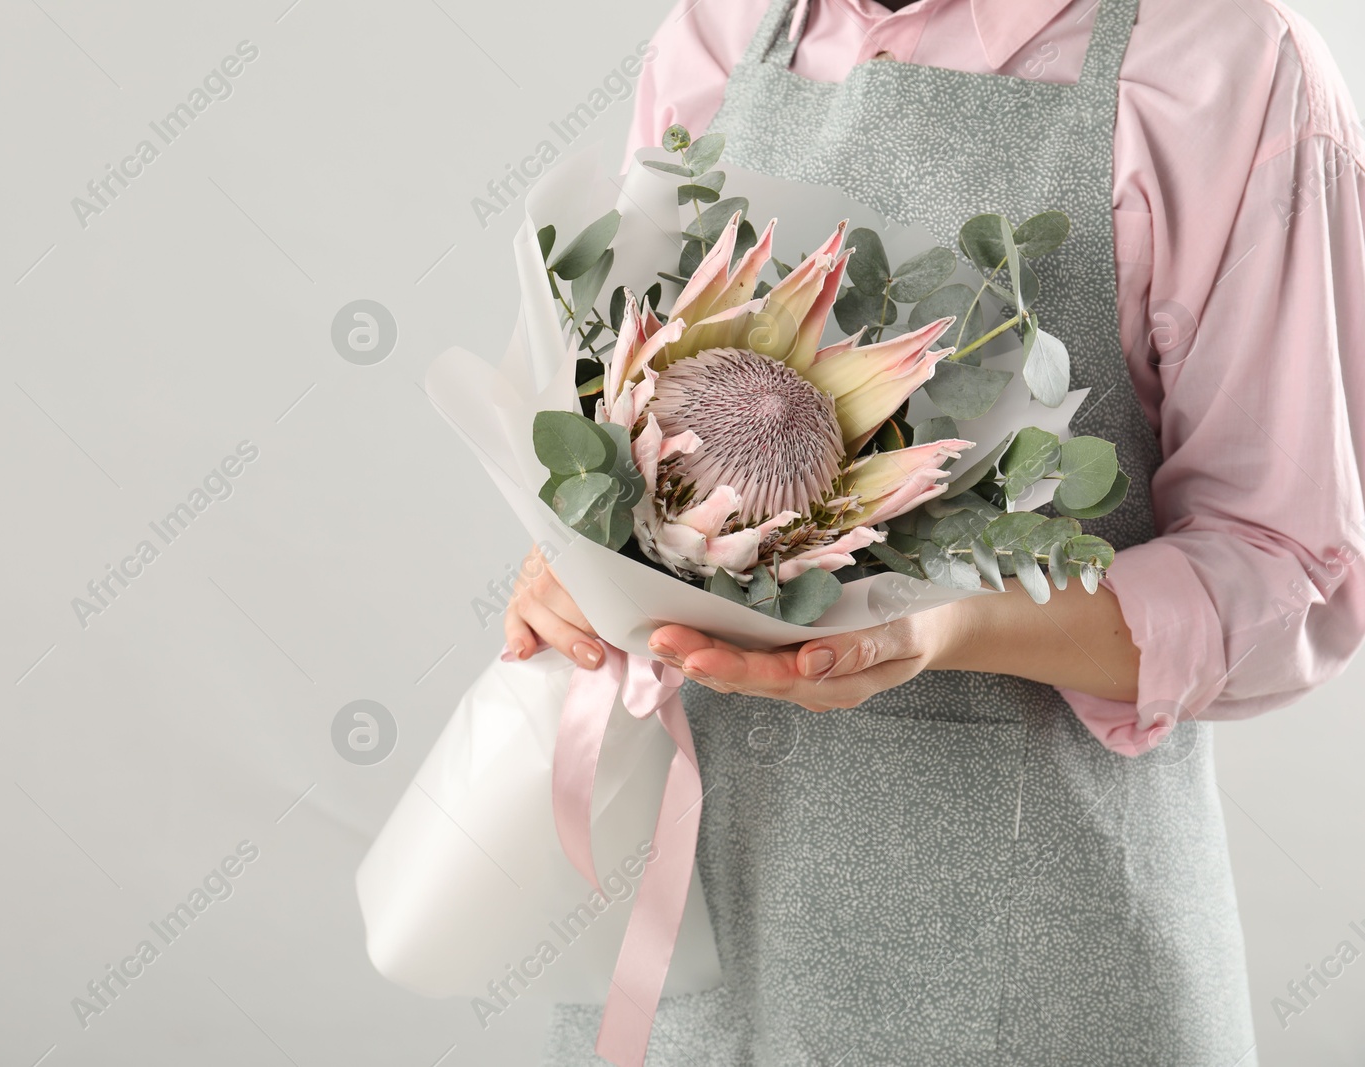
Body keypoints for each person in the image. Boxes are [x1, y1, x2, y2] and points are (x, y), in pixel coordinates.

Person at [504, 0, 1365, 1063]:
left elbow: (1291, 569)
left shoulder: (1226, 64)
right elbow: (637, 389)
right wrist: (585, 558)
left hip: (1041, 959)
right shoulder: (726, 26)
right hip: (696, 930)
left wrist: (949, 619)